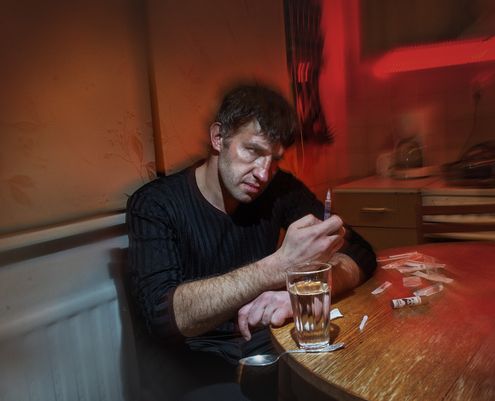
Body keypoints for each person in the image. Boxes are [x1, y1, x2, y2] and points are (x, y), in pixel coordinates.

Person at [126, 83, 376, 400]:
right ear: (218, 137)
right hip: (193, 365)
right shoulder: (154, 204)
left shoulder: (279, 189)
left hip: (265, 346)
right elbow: (164, 316)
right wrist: (279, 266)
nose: (263, 173)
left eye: (274, 160)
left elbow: (360, 251)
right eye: (253, 151)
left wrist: (297, 295)